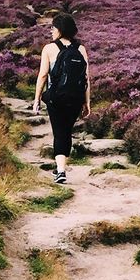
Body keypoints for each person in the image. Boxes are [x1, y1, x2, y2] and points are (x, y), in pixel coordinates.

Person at [32, 13, 90, 184]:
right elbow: (86, 79)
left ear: (59, 29)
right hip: (76, 98)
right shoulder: (80, 49)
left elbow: (43, 76)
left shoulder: (49, 49)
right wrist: (87, 102)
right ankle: (61, 166)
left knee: (59, 132)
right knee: (66, 131)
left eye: (53, 27)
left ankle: (60, 171)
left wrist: (36, 99)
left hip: (56, 98)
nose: (51, 31)